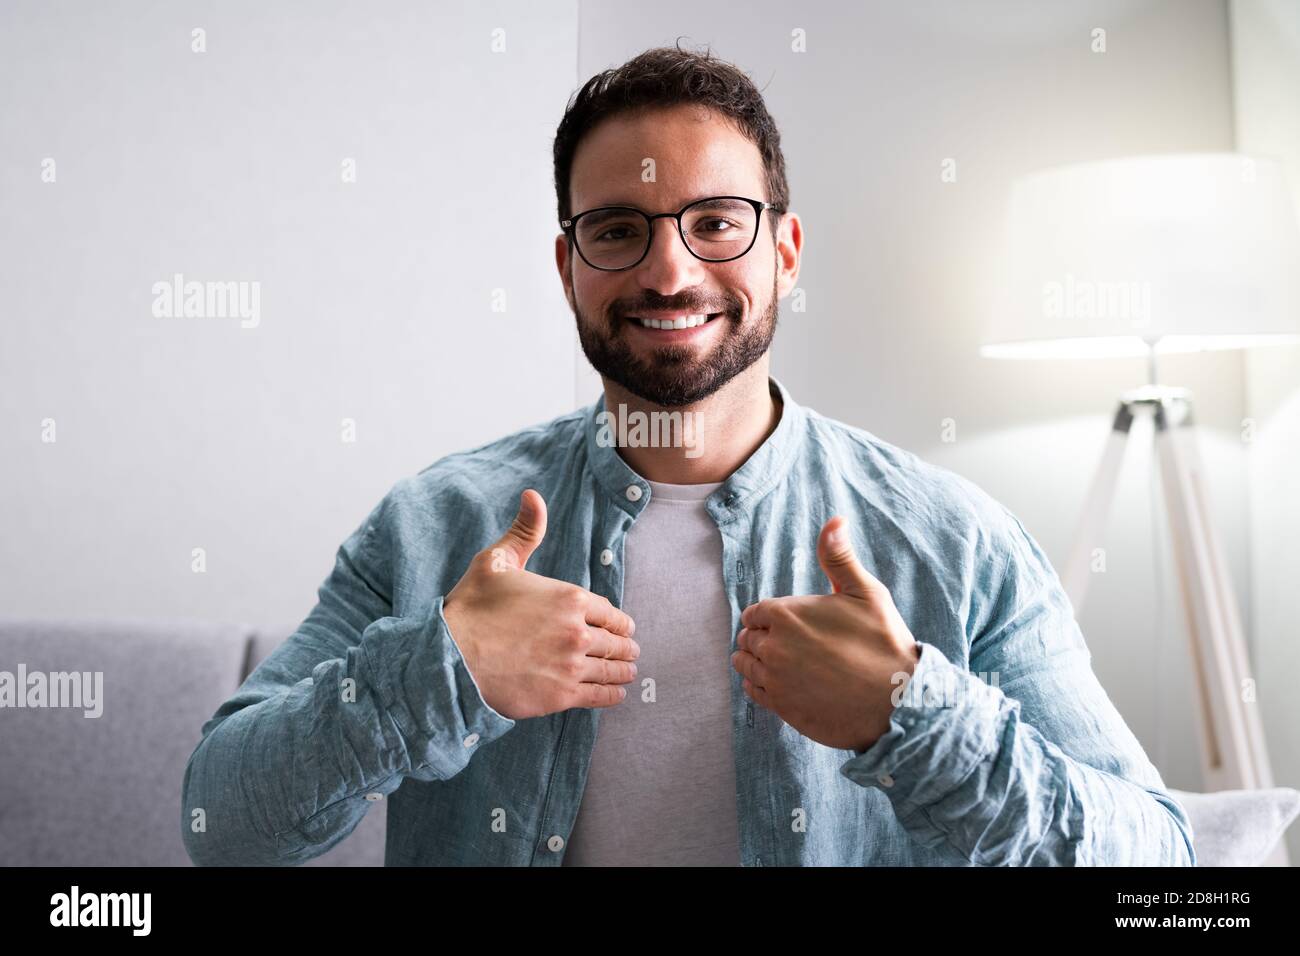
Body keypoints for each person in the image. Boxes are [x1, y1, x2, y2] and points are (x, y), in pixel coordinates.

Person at [181, 44, 1196, 867]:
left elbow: (1164, 871)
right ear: (568, 266)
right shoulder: (433, 523)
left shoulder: (955, 539)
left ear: (784, 251)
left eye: (716, 222)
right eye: (619, 229)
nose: (670, 270)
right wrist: (437, 673)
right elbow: (218, 825)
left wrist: (912, 717)